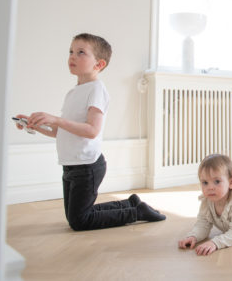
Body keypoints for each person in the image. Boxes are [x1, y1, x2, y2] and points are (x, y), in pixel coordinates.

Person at [14, 33, 165, 230]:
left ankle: (136, 212)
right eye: (71, 51)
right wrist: (35, 124)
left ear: (99, 64)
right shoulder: (73, 92)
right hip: (71, 165)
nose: (72, 56)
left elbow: (92, 130)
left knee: (79, 221)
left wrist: (56, 119)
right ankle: (131, 204)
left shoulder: (96, 90)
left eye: (81, 52)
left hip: (87, 166)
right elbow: (60, 131)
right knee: (78, 216)